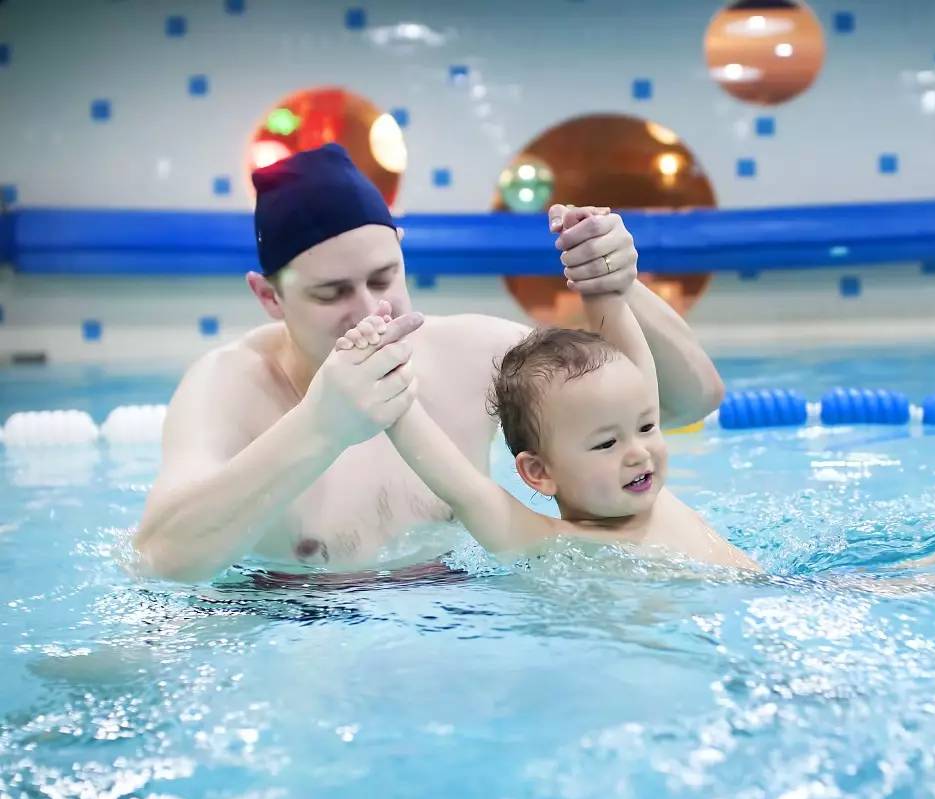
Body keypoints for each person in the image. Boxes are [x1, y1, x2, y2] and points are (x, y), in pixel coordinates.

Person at [339, 209, 935, 587]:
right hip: (756, 615)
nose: (639, 450)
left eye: (645, 428)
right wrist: (391, 391)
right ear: (537, 472)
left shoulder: (646, 492)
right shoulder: (548, 540)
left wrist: (600, 277)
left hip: (776, 591)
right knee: (873, 591)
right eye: (604, 443)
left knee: (861, 580)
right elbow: (461, 484)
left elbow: (629, 364)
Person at [130, 144, 725, 582]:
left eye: (383, 279)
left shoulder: (475, 352)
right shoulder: (229, 385)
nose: (369, 310)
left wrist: (623, 286)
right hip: (298, 631)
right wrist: (320, 425)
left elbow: (688, 401)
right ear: (269, 298)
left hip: (459, 619)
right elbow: (159, 559)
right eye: (331, 293)